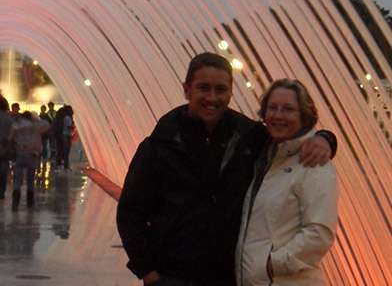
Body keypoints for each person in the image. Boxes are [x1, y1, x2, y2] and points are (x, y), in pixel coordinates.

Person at [116, 52, 336, 286]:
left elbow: (288, 138)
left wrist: (325, 139)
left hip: (228, 277)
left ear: (231, 92)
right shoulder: (160, 145)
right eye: (204, 88)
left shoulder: (250, 137)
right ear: (187, 89)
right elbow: (130, 213)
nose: (212, 97)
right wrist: (148, 272)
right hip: (173, 275)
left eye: (220, 89)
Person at [236, 79, 338, 286]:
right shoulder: (264, 158)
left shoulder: (314, 163)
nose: (278, 115)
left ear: (304, 116)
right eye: (272, 108)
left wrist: (270, 265)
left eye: (288, 109)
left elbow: (319, 234)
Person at [9, 111, 50, 210]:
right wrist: (36, 119)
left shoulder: (16, 125)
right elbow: (47, 125)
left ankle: (15, 202)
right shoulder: (35, 126)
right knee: (30, 179)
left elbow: (10, 138)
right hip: (32, 155)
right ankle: (30, 202)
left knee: (17, 179)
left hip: (20, 153)